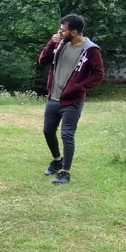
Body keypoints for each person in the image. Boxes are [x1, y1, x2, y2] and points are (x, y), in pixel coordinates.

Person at [38, 14, 104, 185]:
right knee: (47, 131)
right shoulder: (60, 44)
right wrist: (51, 42)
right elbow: (42, 60)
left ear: (74, 32)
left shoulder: (91, 50)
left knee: (67, 135)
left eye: (62, 30)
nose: (59, 32)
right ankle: (57, 160)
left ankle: (65, 172)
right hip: (53, 97)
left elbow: (98, 74)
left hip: (72, 101)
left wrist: (78, 88)